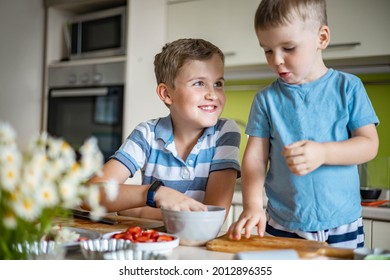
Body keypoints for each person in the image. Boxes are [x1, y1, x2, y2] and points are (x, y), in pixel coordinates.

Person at [228, 0, 379, 249]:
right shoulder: (266, 99)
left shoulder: (349, 88)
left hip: (344, 222)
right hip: (283, 224)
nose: (276, 60)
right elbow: (255, 159)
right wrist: (253, 206)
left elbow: (369, 145)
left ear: (322, 38)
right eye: (267, 50)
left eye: (288, 47)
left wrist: (323, 152)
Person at [83, 38, 241, 220]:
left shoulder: (224, 132)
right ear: (166, 94)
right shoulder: (147, 134)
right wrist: (155, 194)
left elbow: (211, 216)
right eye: (199, 83)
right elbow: (89, 195)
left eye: (218, 84)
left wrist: (133, 209)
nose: (213, 94)